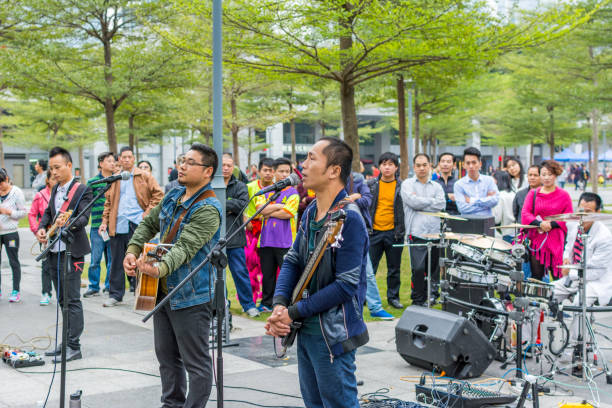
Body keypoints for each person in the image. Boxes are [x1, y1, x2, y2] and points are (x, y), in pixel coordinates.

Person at [266, 137, 369, 408]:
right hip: (305, 327)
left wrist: (292, 312)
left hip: (334, 334)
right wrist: (279, 305)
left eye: (312, 158)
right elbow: (292, 260)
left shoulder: (350, 218)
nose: (303, 165)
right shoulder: (311, 211)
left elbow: (346, 286)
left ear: (334, 170)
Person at [123, 144, 222, 408]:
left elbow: (184, 248)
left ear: (207, 171)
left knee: (197, 364)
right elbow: (148, 223)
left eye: (190, 162)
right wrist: (132, 250)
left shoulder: (209, 208)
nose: (182, 165)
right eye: (182, 160)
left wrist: (159, 267)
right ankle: (171, 404)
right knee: (167, 358)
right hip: (163, 293)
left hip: (191, 295)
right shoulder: (174, 194)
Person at [37, 147, 93, 362]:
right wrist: (43, 228)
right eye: (51, 169)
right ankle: (66, 341)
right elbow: (48, 214)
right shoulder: (55, 189)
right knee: (61, 299)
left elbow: (84, 218)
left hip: (72, 251)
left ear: (69, 166)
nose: (54, 172)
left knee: (72, 299)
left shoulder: (82, 190)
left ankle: (74, 346)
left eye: (57, 167)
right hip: (54, 250)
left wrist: (67, 225)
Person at [100, 146, 163, 306]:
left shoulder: (144, 175)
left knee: (142, 258)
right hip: (118, 223)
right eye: (124, 157)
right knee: (116, 260)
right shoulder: (115, 178)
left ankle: (141, 292)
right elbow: (108, 203)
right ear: (119, 160)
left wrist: (147, 212)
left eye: (129, 157)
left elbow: (158, 195)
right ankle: (115, 294)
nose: (127, 160)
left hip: (138, 223)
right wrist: (104, 222)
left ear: (134, 158)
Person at [553, 193, 612, 342]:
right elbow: (569, 246)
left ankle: (576, 348)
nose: (583, 217)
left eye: (588, 213)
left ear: (598, 213)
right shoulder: (573, 224)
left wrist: (570, 271)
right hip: (573, 277)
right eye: (581, 211)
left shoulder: (605, 237)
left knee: (579, 304)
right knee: (542, 293)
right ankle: (532, 344)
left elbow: (595, 271)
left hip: (596, 282)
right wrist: (566, 258)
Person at [346, 167, 393, 320]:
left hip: (358, 230)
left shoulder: (357, 179)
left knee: (367, 273)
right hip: (335, 230)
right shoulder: (328, 179)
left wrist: (352, 198)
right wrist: (351, 197)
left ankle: (375, 307)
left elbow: (367, 200)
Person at [255, 157, 299, 312]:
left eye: (287, 172)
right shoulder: (265, 191)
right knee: (267, 275)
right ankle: (266, 303)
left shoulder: (293, 192)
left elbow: (289, 213)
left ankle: (290, 302)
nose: (284, 175)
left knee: (288, 273)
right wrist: (280, 206)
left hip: (285, 241)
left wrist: (271, 209)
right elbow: (260, 210)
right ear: (274, 172)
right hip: (266, 240)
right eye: (281, 171)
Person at [401, 154, 446, 306]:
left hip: (434, 233)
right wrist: (430, 202)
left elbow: (441, 204)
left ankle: (432, 296)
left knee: (433, 269)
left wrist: (420, 202)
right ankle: (418, 298)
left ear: (430, 166)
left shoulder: (437, 186)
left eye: (424, 165)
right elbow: (412, 202)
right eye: (418, 165)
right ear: (414, 167)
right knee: (418, 268)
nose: (421, 168)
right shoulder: (407, 184)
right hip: (416, 232)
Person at [521, 160, 573, 281]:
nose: (547, 177)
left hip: (556, 240)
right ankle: (538, 300)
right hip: (537, 240)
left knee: (558, 276)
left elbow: (568, 216)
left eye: (550, 174)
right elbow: (525, 213)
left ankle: (557, 299)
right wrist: (540, 223)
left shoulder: (564, 195)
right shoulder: (533, 193)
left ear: (555, 175)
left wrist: (551, 224)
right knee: (536, 276)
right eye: (543, 174)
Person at [221, 153, 259, 317]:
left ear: (233, 167)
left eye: (229, 165)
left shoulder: (240, 186)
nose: (226, 168)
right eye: (223, 165)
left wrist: (223, 204)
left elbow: (242, 205)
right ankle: (222, 303)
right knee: (216, 275)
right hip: (214, 238)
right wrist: (229, 204)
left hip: (235, 236)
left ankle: (248, 305)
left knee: (240, 272)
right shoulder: (209, 185)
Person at [367, 152, 405, 309]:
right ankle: (364, 296)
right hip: (373, 232)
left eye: (390, 164)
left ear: (396, 167)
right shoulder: (371, 185)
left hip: (394, 233)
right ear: (379, 167)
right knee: (369, 268)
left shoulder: (402, 186)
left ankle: (393, 297)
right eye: (384, 164)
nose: (387, 167)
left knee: (394, 268)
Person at [83, 152, 116, 298]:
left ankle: (109, 286)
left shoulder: (117, 180)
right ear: (101, 163)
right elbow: (87, 203)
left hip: (113, 226)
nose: (112, 163)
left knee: (112, 259)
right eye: (109, 161)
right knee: (95, 259)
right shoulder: (93, 182)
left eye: (113, 161)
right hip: (97, 226)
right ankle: (93, 286)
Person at [245, 158, 276, 305]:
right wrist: (246, 220)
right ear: (259, 171)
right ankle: (251, 299)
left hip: (271, 232)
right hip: (252, 231)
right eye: (265, 170)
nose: (268, 173)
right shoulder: (250, 187)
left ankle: (270, 299)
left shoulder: (278, 188)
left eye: (271, 171)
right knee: (251, 266)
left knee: (270, 268)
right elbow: (243, 206)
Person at [28, 170, 56, 305]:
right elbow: (32, 214)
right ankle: (46, 292)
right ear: (48, 181)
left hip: (61, 233)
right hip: (45, 235)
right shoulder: (40, 196)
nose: (56, 180)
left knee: (62, 264)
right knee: (46, 264)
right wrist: (37, 230)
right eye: (53, 178)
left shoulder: (63, 194)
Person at [0, 169, 27, 302]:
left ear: (7, 179)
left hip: (10, 233)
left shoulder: (16, 192)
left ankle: (16, 291)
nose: (0, 187)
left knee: (13, 261)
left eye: (1, 184)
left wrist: (8, 212)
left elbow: (23, 213)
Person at [453, 147, 499, 216]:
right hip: (468, 223)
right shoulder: (459, 184)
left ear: (480, 164)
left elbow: (495, 200)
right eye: (468, 163)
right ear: (464, 165)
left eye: (474, 162)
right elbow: (462, 208)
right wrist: (486, 204)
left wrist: (472, 200)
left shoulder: (489, 181)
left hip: (487, 222)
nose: (471, 166)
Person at [492, 171, 515, 242]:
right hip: (515, 231)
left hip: (504, 234)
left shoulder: (499, 196)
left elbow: (496, 219)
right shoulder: (514, 193)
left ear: (497, 180)